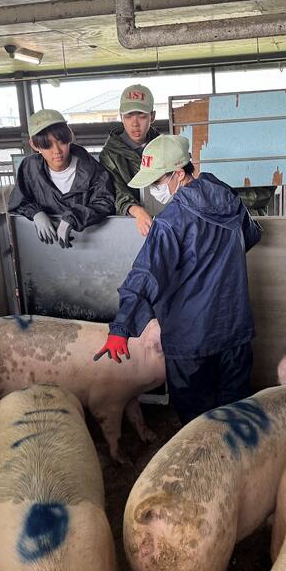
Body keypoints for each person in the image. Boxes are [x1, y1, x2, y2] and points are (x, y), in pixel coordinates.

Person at [93, 135, 262, 424]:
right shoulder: (231, 202)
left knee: (197, 423)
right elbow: (251, 235)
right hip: (234, 329)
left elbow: (147, 274)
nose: (154, 188)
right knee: (235, 415)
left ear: (179, 174)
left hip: (191, 339)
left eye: (157, 180)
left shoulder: (171, 221)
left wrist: (122, 326)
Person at [8, 108, 115, 248]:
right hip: (45, 250)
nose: (57, 151)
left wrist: (74, 217)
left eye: (62, 141)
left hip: (92, 245)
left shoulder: (92, 169)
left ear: (70, 137)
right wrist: (36, 213)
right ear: (34, 145)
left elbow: (104, 202)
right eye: (47, 145)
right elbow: (18, 201)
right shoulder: (30, 168)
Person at [99, 84, 160, 237]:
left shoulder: (164, 147)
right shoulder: (109, 155)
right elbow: (116, 191)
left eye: (141, 116)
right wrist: (137, 211)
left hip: (164, 219)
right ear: (121, 117)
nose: (135, 123)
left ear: (152, 116)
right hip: (128, 224)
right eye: (128, 116)